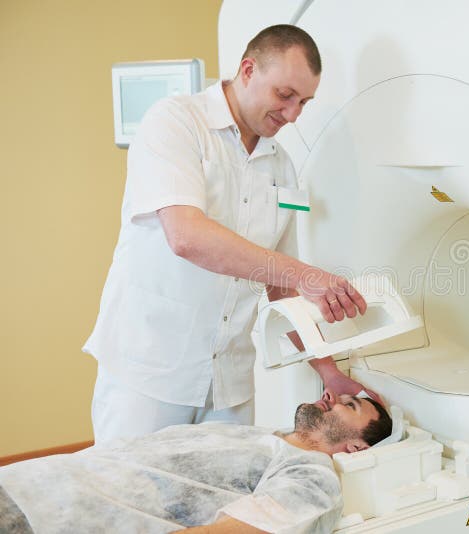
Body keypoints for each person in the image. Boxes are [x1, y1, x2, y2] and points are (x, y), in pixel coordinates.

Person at [83, 24, 378, 446]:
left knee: (227, 500)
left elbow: (282, 287)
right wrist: (307, 275)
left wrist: (326, 369)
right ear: (247, 69)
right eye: (285, 95)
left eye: (304, 102)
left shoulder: (282, 167)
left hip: (229, 384)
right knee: (132, 499)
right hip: (150, 371)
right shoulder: (176, 123)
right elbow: (186, 236)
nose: (293, 114)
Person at [0, 391, 391, 533]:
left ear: (357, 448)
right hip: (30, 481)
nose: (332, 397)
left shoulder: (310, 475)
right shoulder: (257, 435)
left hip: (51, 520)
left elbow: (249, 530)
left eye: (349, 405)